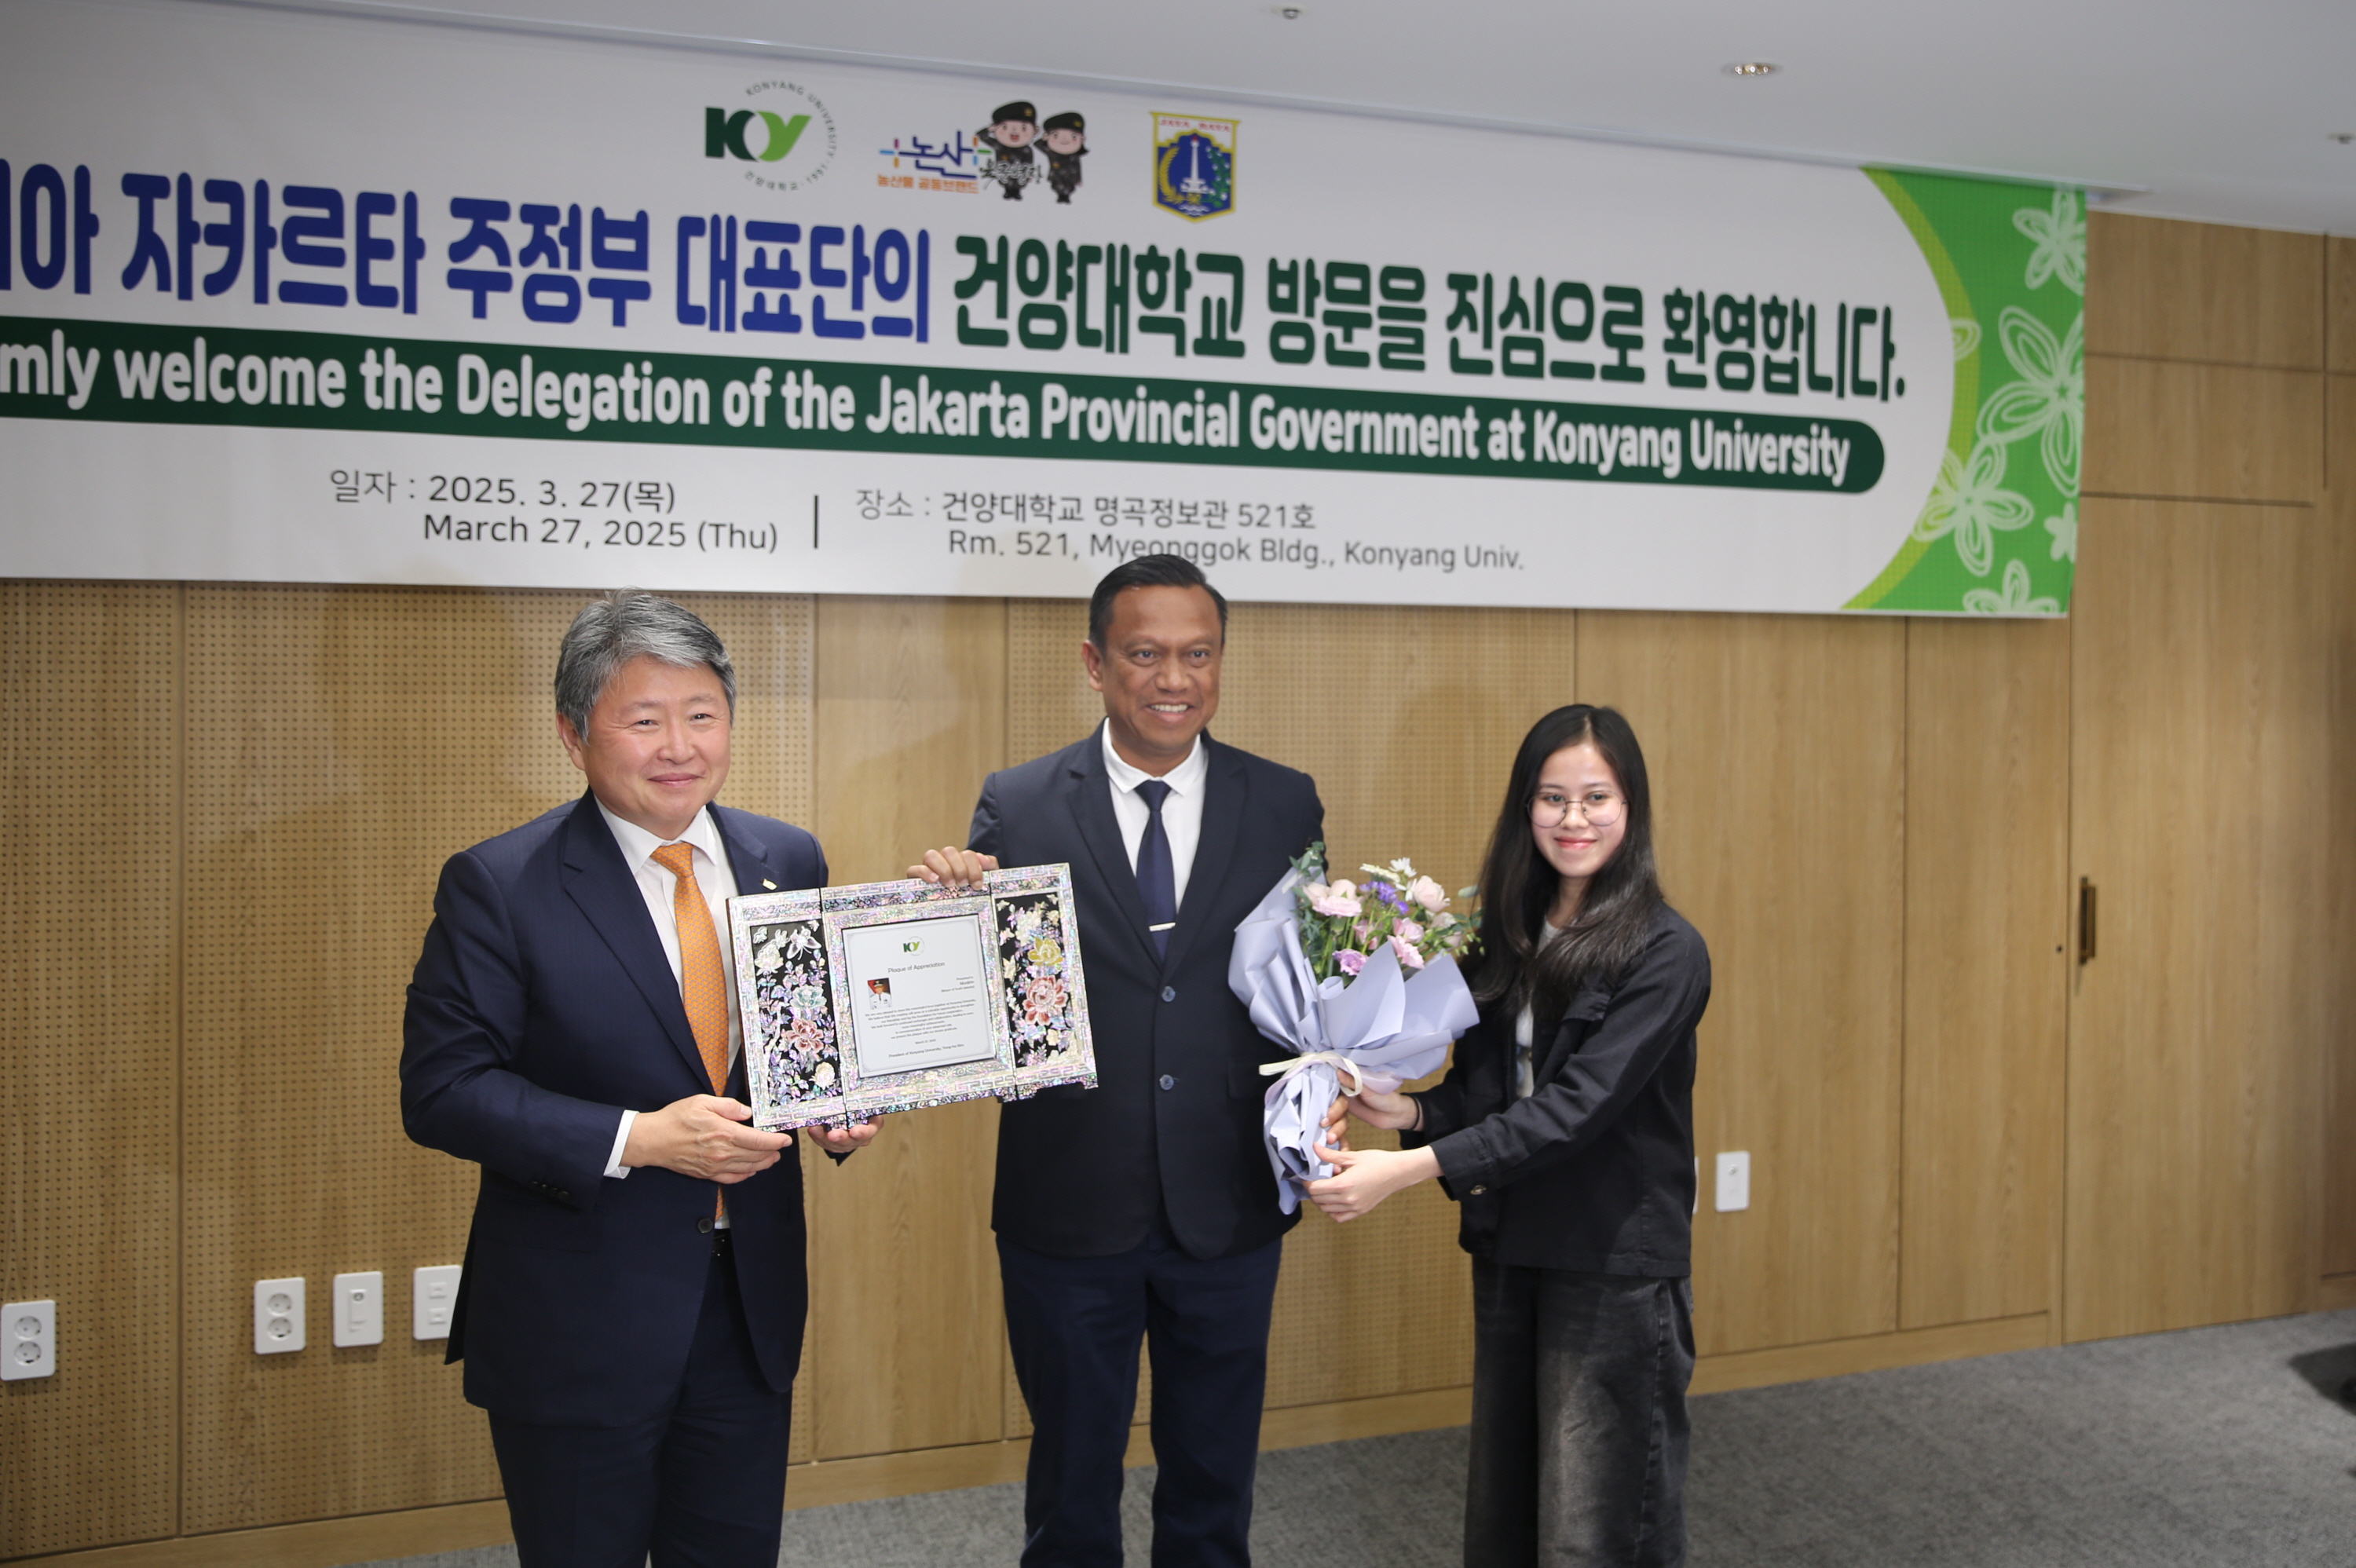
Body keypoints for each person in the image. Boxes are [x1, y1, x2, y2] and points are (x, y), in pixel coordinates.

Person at [401, 590, 875, 1568]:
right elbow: (443, 1090)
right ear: (573, 733)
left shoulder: (787, 858)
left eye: (702, 714)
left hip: (746, 1307)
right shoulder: (500, 882)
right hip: (580, 1314)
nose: (680, 746)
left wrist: (831, 1107)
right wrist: (639, 1138)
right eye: (644, 719)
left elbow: (804, 1044)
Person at [916, 554, 1324, 1568]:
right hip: (1068, 1199)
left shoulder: (1285, 803)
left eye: (1198, 654)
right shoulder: (1019, 802)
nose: (1173, 678)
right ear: (1096, 663)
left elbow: (1306, 990)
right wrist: (943, 913)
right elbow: (985, 999)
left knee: (1214, 1478)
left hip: (1227, 1197)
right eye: (1145, 654)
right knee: (1071, 1480)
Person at [1308, 704, 1710, 1568]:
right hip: (1511, 1243)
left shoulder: (1666, 951)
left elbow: (1576, 1109)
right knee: (1506, 1515)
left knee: (1596, 1527)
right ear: (1526, 805)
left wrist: (1407, 1169)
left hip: (1611, 1263)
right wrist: (1411, 1113)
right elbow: (1493, 1088)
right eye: (1552, 797)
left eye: (1596, 797)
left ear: (1631, 805)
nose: (1574, 818)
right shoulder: (1507, 930)